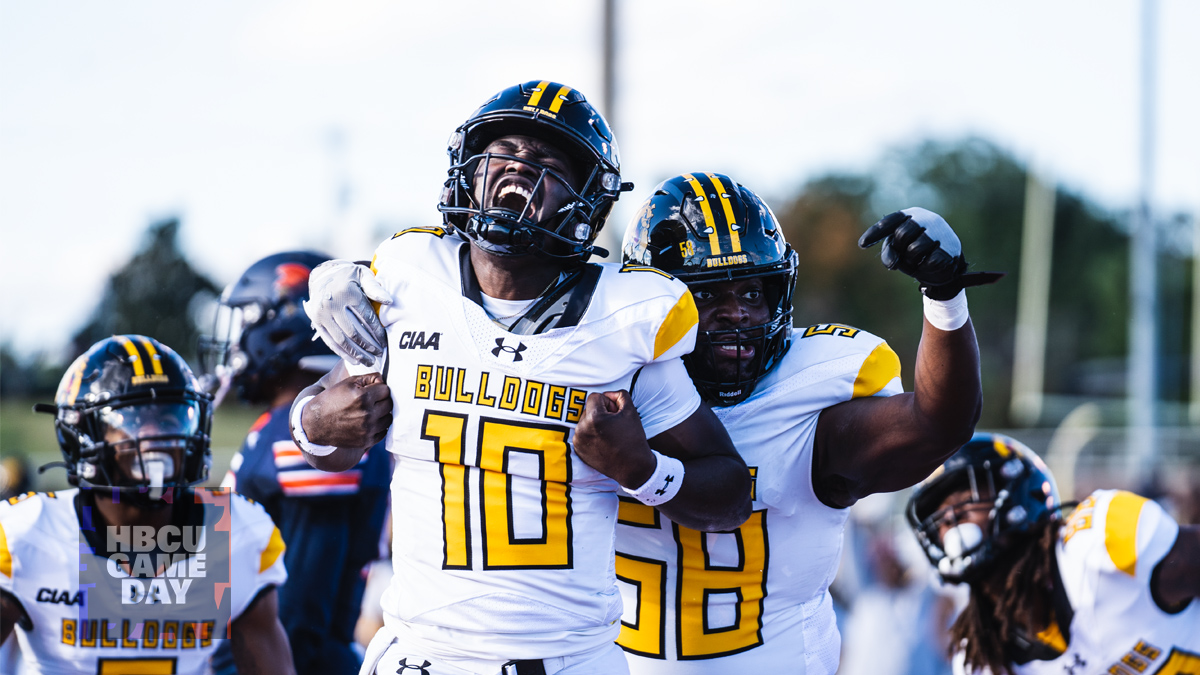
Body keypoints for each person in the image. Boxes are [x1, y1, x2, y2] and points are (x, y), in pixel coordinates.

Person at [292, 81, 752, 675]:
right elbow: (325, 441)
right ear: (469, 168)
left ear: (587, 197)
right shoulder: (408, 280)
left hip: (565, 661)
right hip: (421, 656)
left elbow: (730, 492)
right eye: (504, 151)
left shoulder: (627, 317)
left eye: (546, 164)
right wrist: (314, 421)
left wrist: (642, 469)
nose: (518, 170)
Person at [595, 174, 990, 673]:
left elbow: (940, 423)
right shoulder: (607, 382)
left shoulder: (807, 403)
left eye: (754, 292)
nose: (737, 313)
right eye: (709, 295)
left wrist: (945, 296)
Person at [0, 335, 295, 675]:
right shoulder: (27, 536)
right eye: (134, 421)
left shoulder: (237, 535)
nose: (158, 437)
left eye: (170, 420)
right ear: (81, 434)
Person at [201, 252, 390, 674]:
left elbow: (302, 619)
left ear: (284, 328)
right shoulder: (283, 426)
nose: (238, 340)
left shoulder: (316, 439)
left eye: (247, 319)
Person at [907, 432, 1199, 675]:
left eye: (964, 499)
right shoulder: (982, 657)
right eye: (939, 516)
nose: (949, 520)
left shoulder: (1098, 540)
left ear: (1018, 491)